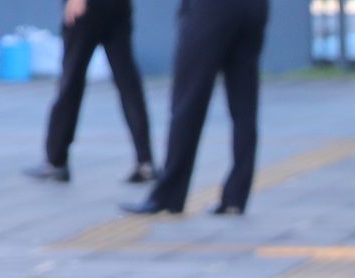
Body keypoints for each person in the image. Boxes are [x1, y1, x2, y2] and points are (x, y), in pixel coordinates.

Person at [124, 0, 264, 216]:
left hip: (212, 9)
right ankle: (235, 197)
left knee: (187, 101)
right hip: (253, 8)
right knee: (244, 106)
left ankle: (168, 195)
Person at [25, 0, 157, 186]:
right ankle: (145, 161)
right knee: (128, 81)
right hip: (118, 6)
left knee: (72, 80)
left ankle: (56, 160)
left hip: (88, 8)